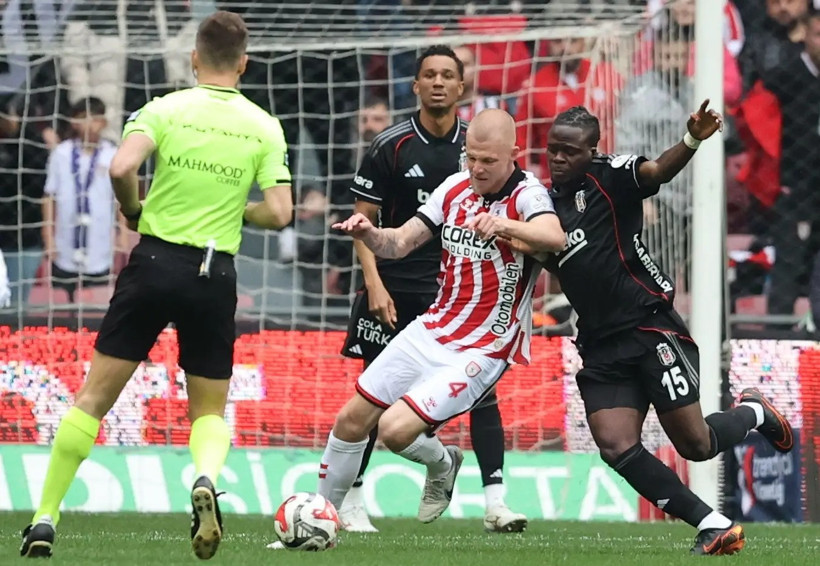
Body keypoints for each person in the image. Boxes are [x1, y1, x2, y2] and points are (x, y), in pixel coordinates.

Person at [19, 11, 293, 561]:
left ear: (194, 58)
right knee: (209, 409)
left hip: (154, 261)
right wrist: (235, 209)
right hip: (214, 273)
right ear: (244, 63)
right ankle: (206, 478)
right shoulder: (264, 124)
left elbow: (121, 167)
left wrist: (134, 210)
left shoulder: (165, 108)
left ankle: (44, 517)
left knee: (93, 399)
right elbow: (283, 213)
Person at [523, 103, 793, 555]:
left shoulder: (609, 177)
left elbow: (654, 173)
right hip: (600, 341)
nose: (559, 159)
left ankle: (754, 413)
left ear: (592, 150)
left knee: (696, 444)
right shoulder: (544, 204)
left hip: (649, 326)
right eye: (552, 150)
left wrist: (691, 139)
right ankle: (712, 524)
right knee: (614, 444)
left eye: (570, 151)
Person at [319, 108, 565, 531]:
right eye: (471, 157)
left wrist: (504, 224)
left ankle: (443, 464)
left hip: (485, 346)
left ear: (514, 154)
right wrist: (369, 234)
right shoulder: (453, 187)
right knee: (350, 420)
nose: (477, 168)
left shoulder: (528, 194)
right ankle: (319, 517)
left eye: (488, 161)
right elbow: (399, 243)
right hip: (433, 327)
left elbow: (554, 236)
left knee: (395, 432)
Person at [339, 45, 528, 534]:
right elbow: (368, 222)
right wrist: (373, 284)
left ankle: (495, 500)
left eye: (448, 75)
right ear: (415, 86)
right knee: (371, 393)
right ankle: (353, 500)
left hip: (456, 291)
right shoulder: (391, 144)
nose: (439, 82)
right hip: (394, 283)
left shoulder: (480, 146)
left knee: (482, 394)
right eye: (430, 75)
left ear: (461, 87)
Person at [42, 97, 127, 302]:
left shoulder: (112, 154)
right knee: (62, 303)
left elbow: (120, 199)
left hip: (100, 246)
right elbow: (49, 196)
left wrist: (122, 233)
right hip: (64, 244)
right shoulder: (61, 154)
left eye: (94, 118)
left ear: (103, 122)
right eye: (83, 118)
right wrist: (48, 236)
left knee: (98, 301)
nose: (89, 124)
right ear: (73, 122)